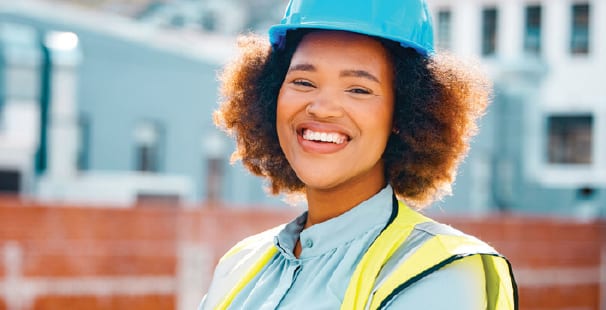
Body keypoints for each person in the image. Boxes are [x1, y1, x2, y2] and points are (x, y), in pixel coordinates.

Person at [200, 0, 517, 309]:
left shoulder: (441, 271)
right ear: (272, 94)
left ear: (403, 113)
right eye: (303, 81)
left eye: (358, 89)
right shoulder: (239, 266)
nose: (322, 108)